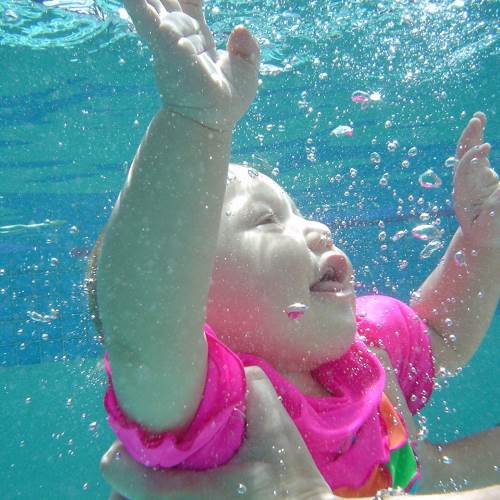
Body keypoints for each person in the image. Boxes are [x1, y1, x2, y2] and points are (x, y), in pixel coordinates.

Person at [87, 0, 500, 497]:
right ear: (191, 298)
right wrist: (195, 124)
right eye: (266, 219)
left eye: (299, 212)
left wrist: (482, 244)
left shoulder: (365, 349)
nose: (318, 227)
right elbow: (143, 325)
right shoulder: (214, 407)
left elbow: (440, 337)